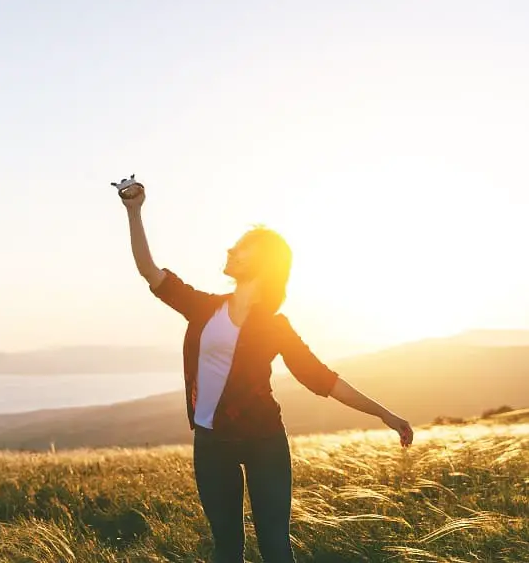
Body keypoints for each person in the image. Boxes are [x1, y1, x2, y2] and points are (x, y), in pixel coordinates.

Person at [118, 181, 413, 563]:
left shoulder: (275, 326)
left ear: (261, 264)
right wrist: (134, 211)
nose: (231, 250)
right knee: (226, 550)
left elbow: (323, 379)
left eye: (241, 248)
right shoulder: (204, 307)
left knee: (276, 549)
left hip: (265, 442)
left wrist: (385, 414)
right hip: (211, 443)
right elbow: (149, 271)